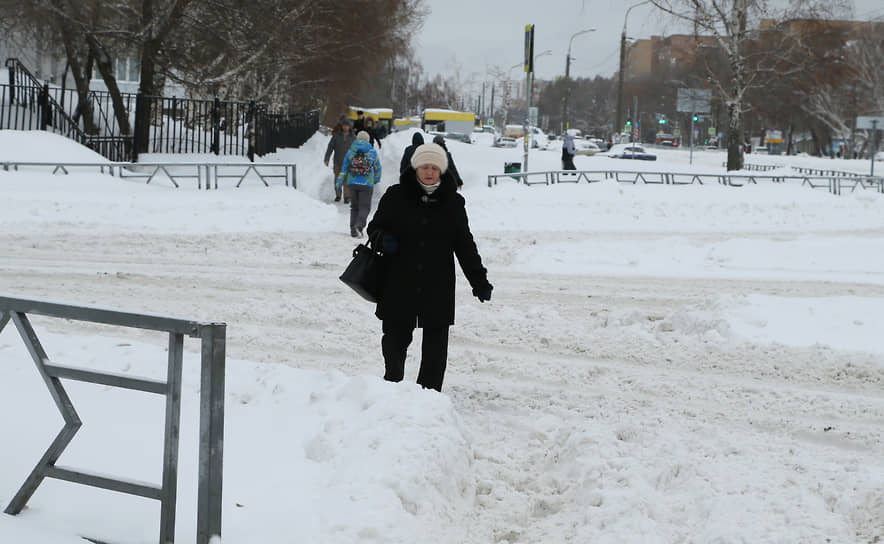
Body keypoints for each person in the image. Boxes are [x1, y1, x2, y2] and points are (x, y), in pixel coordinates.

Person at [366, 143, 492, 392]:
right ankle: (392, 385)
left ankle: (429, 395)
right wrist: (384, 239)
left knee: (435, 345)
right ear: (416, 167)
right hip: (399, 280)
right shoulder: (395, 195)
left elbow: (464, 245)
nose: (429, 172)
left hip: (437, 284)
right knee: (394, 339)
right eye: (425, 166)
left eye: (435, 167)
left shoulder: (453, 203)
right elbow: (374, 227)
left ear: (442, 171)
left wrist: (479, 281)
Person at [337, 131, 381, 237]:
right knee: (364, 207)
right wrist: (376, 179)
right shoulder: (372, 152)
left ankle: (353, 230)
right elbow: (378, 168)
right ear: (368, 140)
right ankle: (359, 226)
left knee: (354, 207)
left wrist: (339, 181)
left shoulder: (351, 151)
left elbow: (344, 168)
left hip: (352, 183)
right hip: (367, 184)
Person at [324, 118, 355, 202]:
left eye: (347, 126)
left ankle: (346, 196)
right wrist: (327, 158)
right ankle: (338, 195)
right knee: (338, 179)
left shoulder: (353, 137)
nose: (345, 127)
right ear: (342, 126)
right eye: (344, 125)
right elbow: (330, 147)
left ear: (349, 127)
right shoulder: (336, 136)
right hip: (337, 161)